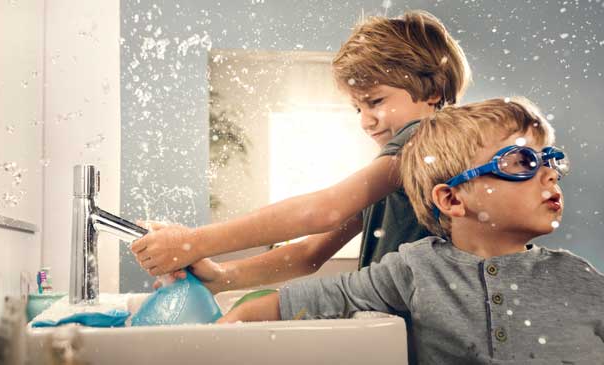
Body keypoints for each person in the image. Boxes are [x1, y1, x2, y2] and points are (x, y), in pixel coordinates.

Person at [217, 97, 604, 364]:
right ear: (452, 200)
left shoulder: (581, 279)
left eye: (552, 159)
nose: (550, 172)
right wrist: (221, 331)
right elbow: (311, 300)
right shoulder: (415, 269)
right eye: (523, 161)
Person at [131, 10, 472, 293]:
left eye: (376, 101)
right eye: (357, 109)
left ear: (433, 90)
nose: (366, 121)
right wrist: (221, 278)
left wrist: (193, 241)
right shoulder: (401, 168)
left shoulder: (424, 138)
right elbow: (310, 252)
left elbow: (323, 211)